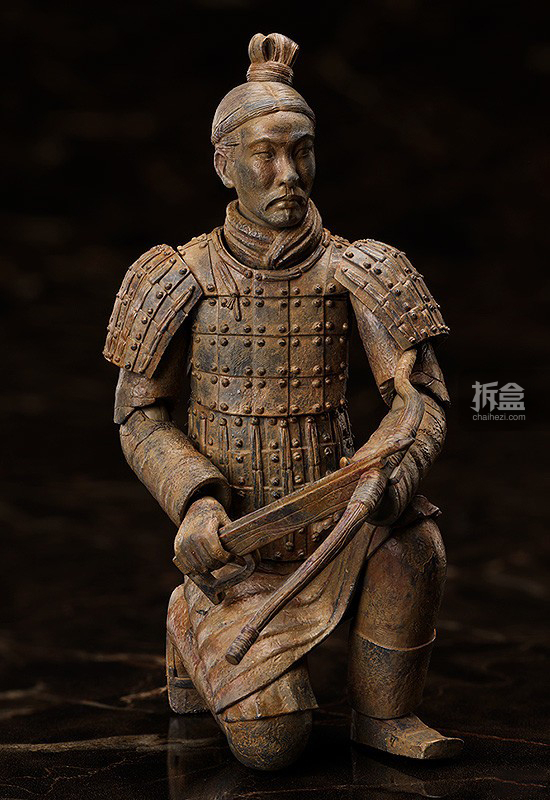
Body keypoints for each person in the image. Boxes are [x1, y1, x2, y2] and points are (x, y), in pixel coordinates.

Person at [103, 32, 462, 770]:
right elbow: (140, 414)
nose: (289, 174)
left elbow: (420, 398)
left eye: (302, 151)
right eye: (265, 154)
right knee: (274, 746)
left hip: (340, 525)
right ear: (223, 164)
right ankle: (188, 620)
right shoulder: (179, 277)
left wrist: (384, 476)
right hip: (235, 551)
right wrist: (196, 502)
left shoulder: (362, 269)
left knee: (415, 544)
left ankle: (385, 714)